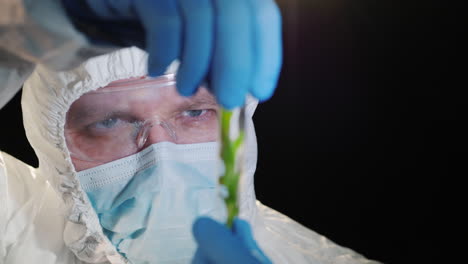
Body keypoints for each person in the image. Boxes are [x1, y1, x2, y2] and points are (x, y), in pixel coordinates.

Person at [0, 1, 381, 264]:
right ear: (53, 144)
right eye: (109, 122)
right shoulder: (17, 227)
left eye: (195, 112)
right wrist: (15, 29)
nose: (161, 153)